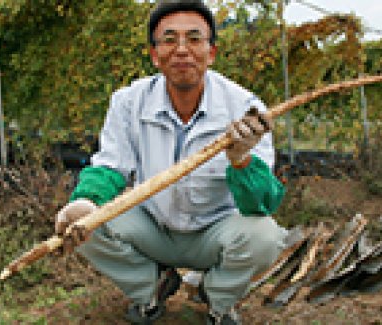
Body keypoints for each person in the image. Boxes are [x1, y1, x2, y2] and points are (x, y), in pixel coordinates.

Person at [55, 1, 287, 324]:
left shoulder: (245, 108)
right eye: (169, 39)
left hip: (214, 234)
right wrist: (85, 201)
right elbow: (110, 166)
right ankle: (151, 289)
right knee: (82, 226)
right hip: (154, 227)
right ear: (154, 54)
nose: (182, 50)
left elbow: (263, 203)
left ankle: (217, 299)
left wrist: (241, 159)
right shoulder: (128, 102)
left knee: (265, 236)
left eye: (194, 39)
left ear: (212, 52)